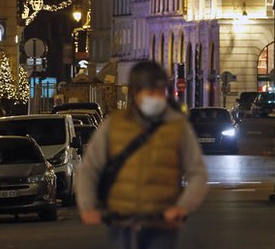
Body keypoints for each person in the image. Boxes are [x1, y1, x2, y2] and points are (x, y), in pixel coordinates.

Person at [76, 61, 207, 249]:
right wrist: (88, 206)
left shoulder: (178, 126)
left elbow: (197, 173)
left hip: (162, 223)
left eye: (160, 92)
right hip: (122, 222)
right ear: (136, 93)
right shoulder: (113, 125)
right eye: (150, 93)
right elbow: (90, 169)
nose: (156, 98)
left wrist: (182, 206)